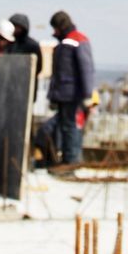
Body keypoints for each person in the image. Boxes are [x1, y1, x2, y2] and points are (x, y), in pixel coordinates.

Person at [45, 10, 95, 166]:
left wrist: (87, 95)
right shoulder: (67, 41)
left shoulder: (78, 40)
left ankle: (71, 161)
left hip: (72, 95)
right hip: (64, 95)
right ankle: (68, 159)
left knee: (71, 127)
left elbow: (86, 69)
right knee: (65, 128)